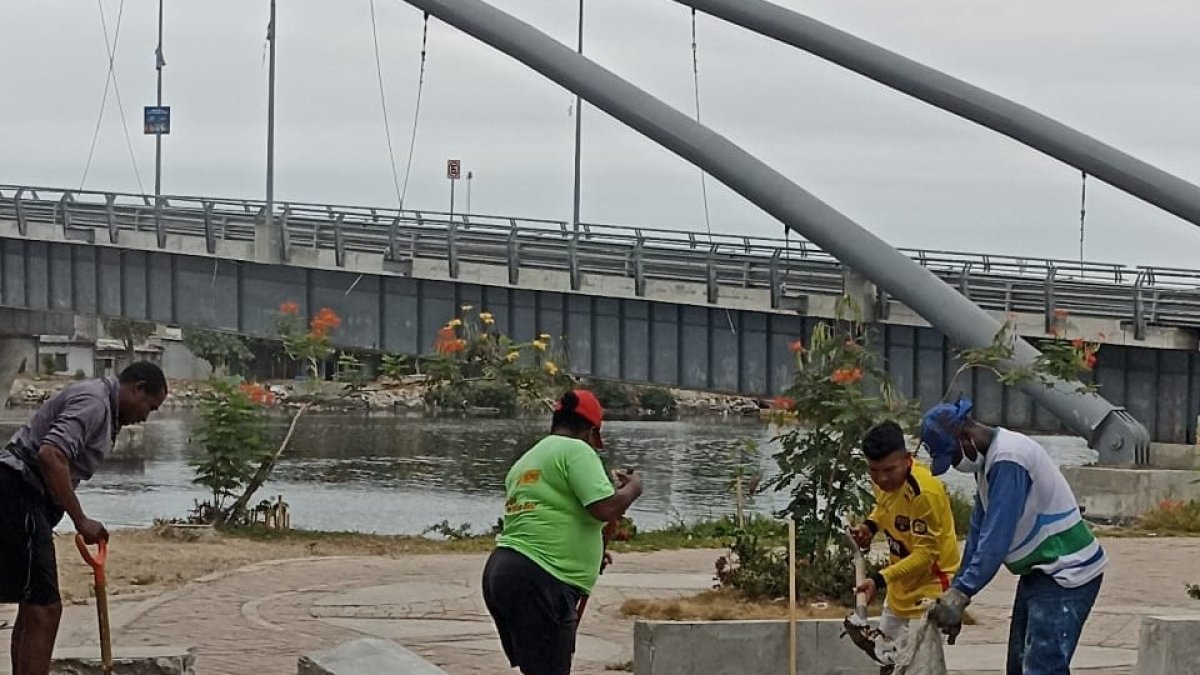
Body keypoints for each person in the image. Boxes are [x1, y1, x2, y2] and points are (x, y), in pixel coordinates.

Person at [0, 362, 168, 675]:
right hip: (18, 492)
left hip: (24, 497)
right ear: (138, 388)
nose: (146, 416)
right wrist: (80, 519)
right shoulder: (94, 402)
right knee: (45, 609)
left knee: (34, 603)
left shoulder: (103, 406)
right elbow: (51, 455)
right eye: (150, 406)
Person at [922, 399, 1105, 675]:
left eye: (954, 458)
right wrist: (956, 593)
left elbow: (996, 539)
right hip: (1041, 573)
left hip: (1067, 573)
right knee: (1018, 667)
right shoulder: (988, 465)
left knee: (1042, 668)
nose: (957, 465)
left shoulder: (1009, 458)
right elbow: (978, 534)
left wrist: (963, 593)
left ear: (965, 438)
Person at [482, 389, 643, 675]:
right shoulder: (576, 450)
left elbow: (544, 517)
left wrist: (588, 554)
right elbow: (605, 509)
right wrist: (633, 488)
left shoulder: (527, 460)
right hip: (541, 578)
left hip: (504, 573)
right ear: (591, 431)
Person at [845, 420, 961, 674]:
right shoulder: (881, 480)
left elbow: (925, 555)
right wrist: (869, 527)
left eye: (889, 470)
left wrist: (879, 578)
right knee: (886, 663)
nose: (881, 478)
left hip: (930, 589)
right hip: (900, 587)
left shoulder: (924, 494)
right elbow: (885, 506)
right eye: (874, 471)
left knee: (916, 667)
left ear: (907, 459)